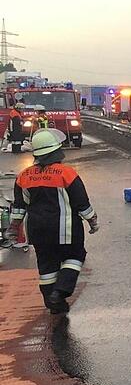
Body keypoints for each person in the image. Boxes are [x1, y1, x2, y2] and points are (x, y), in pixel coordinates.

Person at [5, 129, 99, 314]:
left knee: (47, 266)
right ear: (56, 152)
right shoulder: (67, 173)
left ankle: (51, 302)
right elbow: (81, 202)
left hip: (38, 231)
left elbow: (18, 207)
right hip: (66, 230)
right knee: (75, 256)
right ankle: (59, 292)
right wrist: (92, 220)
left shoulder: (24, 176)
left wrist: (14, 227)